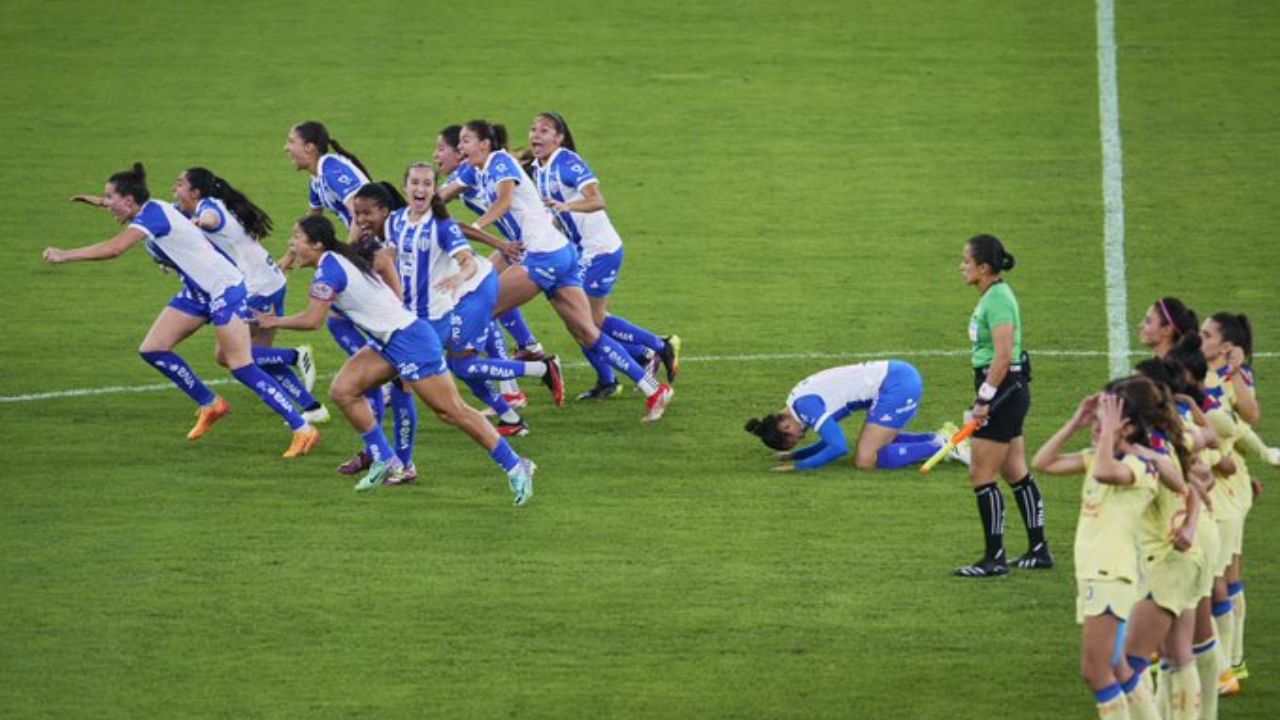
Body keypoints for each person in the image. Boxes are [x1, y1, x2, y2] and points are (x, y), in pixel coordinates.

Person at [45, 163, 320, 457]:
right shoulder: (155, 209)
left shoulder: (153, 215)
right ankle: (210, 403)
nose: (108, 203)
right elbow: (134, 211)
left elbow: (114, 248)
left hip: (223, 289)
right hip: (199, 292)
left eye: (110, 197)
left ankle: (303, 428)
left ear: (129, 200)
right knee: (153, 348)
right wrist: (103, 203)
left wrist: (65, 255)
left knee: (240, 365)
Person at [256, 215, 535, 504]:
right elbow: (384, 269)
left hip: (410, 341)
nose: (292, 244)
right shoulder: (335, 261)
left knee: (452, 411)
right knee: (343, 391)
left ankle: (516, 464)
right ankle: (386, 459)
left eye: (296, 238)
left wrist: (272, 321)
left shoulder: (329, 271)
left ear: (315, 244)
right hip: (388, 341)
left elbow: (314, 320)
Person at [453, 119, 673, 422]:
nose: (460, 147)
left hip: (543, 255)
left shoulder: (499, 162)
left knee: (486, 309)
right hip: (561, 252)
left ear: (484, 144)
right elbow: (445, 195)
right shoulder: (478, 170)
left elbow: (504, 202)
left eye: (465, 141)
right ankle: (654, 389)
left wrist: (476, 227)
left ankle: (512, 393)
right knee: (587, 332)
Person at [389, 164, 564, 438]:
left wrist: (462, 275)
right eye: (414, 183)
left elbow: (467, 260)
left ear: (434, 190)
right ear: (404, 187)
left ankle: (542, 368)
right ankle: (511, 417)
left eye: (426, 184)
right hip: (447, 301)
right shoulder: (395, 221)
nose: (419, 189)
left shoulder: (440, 225)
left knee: (462, 364)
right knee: (461, 365)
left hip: (471, 291)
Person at [1032, 379, 1165, 720]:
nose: (1096, 424)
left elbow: (1108, 471)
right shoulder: (1097, 458)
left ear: (1129, 426)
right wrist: (1075, 422)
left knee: (1096, 671)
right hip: (1097, 574)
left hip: (1110, 575)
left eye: (1104, 417)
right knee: (1118, 666)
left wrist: (1107, 433)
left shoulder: (1142, 465)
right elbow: (1043, 462)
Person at [527, 111, 680, 399]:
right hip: (580, 252)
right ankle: (621, 371)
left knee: (583, 321)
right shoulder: (539, 166)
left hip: (600, 251)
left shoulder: (567, 162)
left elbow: (598, 200)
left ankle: (656, 348)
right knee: (585, 321)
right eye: (533, 129)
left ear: (559, 137)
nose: (536, 135)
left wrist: (566, 207)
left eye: (544, 130)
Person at [171, 167, 328, 423]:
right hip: (272, 281)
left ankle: (296, 355)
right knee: (261, 356)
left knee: (226, 355)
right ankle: (312, 408)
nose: (174, 190)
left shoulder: (208, 207)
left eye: (179, 184)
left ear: (196, 192)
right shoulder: (220, 203)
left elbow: (210, 219)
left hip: (256, 288)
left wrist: (199, 224)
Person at [954, 234, 1051, 577]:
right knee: (1015, 471)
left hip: (1003, 391)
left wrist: (983, 400)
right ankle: (1039, 550)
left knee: (981, 474)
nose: (961, 266)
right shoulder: (994, 296)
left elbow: (1003, 355)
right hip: (1007, 389)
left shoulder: (998, 300)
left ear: (983, 268)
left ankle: (994, 558)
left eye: (967, 261)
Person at [436, 123, 545, 384]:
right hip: (517, 241)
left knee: (486, 301)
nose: (436, 155)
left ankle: (512, 388)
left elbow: (442, 202)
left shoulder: (471, 170)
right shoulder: (472, 170)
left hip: (534, 244)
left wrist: (487, 236)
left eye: (441, 149)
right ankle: (528, 349)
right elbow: (436, 201)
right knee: (488, 291)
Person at [743, 360, 956, 470]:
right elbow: (830, 441)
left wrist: (799, 467)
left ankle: (946, 444)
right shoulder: (797, 403)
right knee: (873, 444)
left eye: (796, 440)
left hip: (896, 385)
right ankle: (937, 437)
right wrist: (796, 455)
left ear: (786, 427)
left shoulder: (805, 408)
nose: (802, 437)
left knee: (865, 459)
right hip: (897, 376)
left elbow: (839, 447)